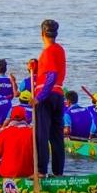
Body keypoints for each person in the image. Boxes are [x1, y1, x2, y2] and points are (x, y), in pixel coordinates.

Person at [34, 19, 67, 177]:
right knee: (57, 136)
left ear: (42, 34)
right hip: (59, 96)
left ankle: (41, 171)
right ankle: (58, 172)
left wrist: (40, 97)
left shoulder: (47, 52)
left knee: (42, 135)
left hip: (46, 96)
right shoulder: (60, 49)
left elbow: (51, 75)